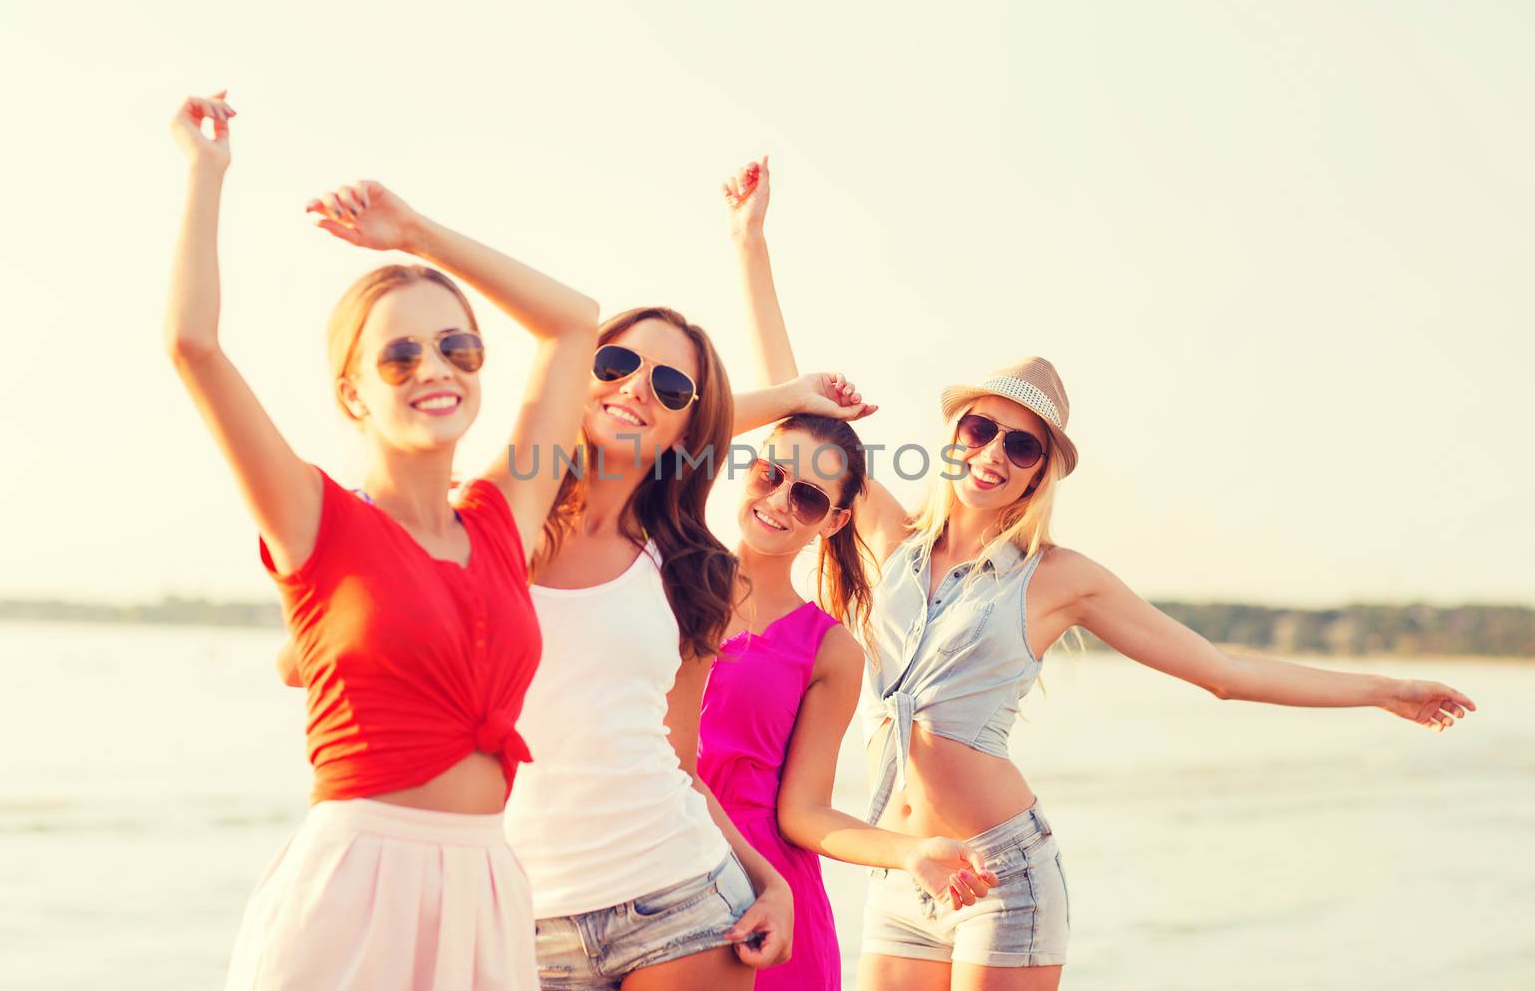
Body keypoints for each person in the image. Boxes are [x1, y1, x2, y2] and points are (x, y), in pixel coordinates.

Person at [727, 158, 1479, 991]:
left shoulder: (1056, 578)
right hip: (903, 873)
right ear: (953, 435)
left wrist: (1381, 689)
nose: (993, 454)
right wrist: (749, 241)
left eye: (1022, 446)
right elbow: (802, 416)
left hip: (1002, 879)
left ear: (1040, 472)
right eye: (982, 429)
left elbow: (1224, 673)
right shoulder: (889, 537)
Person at [166, 92, 598, 990]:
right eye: (399, 356)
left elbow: (572, 325)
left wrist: (419, 237)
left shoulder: (502, 519)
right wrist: (206, 173)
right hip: (354, 889)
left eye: (457, 348)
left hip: (485, 884)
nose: (434, 368)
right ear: (354, 391)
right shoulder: (313, 519)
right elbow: (193, 344)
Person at [697, 159, 999, 991]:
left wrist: (915, 853)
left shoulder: (828, 648)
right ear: (743, 468)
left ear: (835, 517)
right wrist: (748, 242)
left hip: (769, 905)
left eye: (808, 495)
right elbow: (793, 413)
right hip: (648, 874)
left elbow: (804, 813)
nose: (779, 501)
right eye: (768, 475)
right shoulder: (664, 577)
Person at [500, 304, 797, 990]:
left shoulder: (697, 570)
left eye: (669, 387)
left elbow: (681, 762)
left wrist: (769, 880)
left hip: (685, 905)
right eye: (616, 364)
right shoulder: (498, 526)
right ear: (581, 375)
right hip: (523, 919)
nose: (635, 387)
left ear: (688, 427)